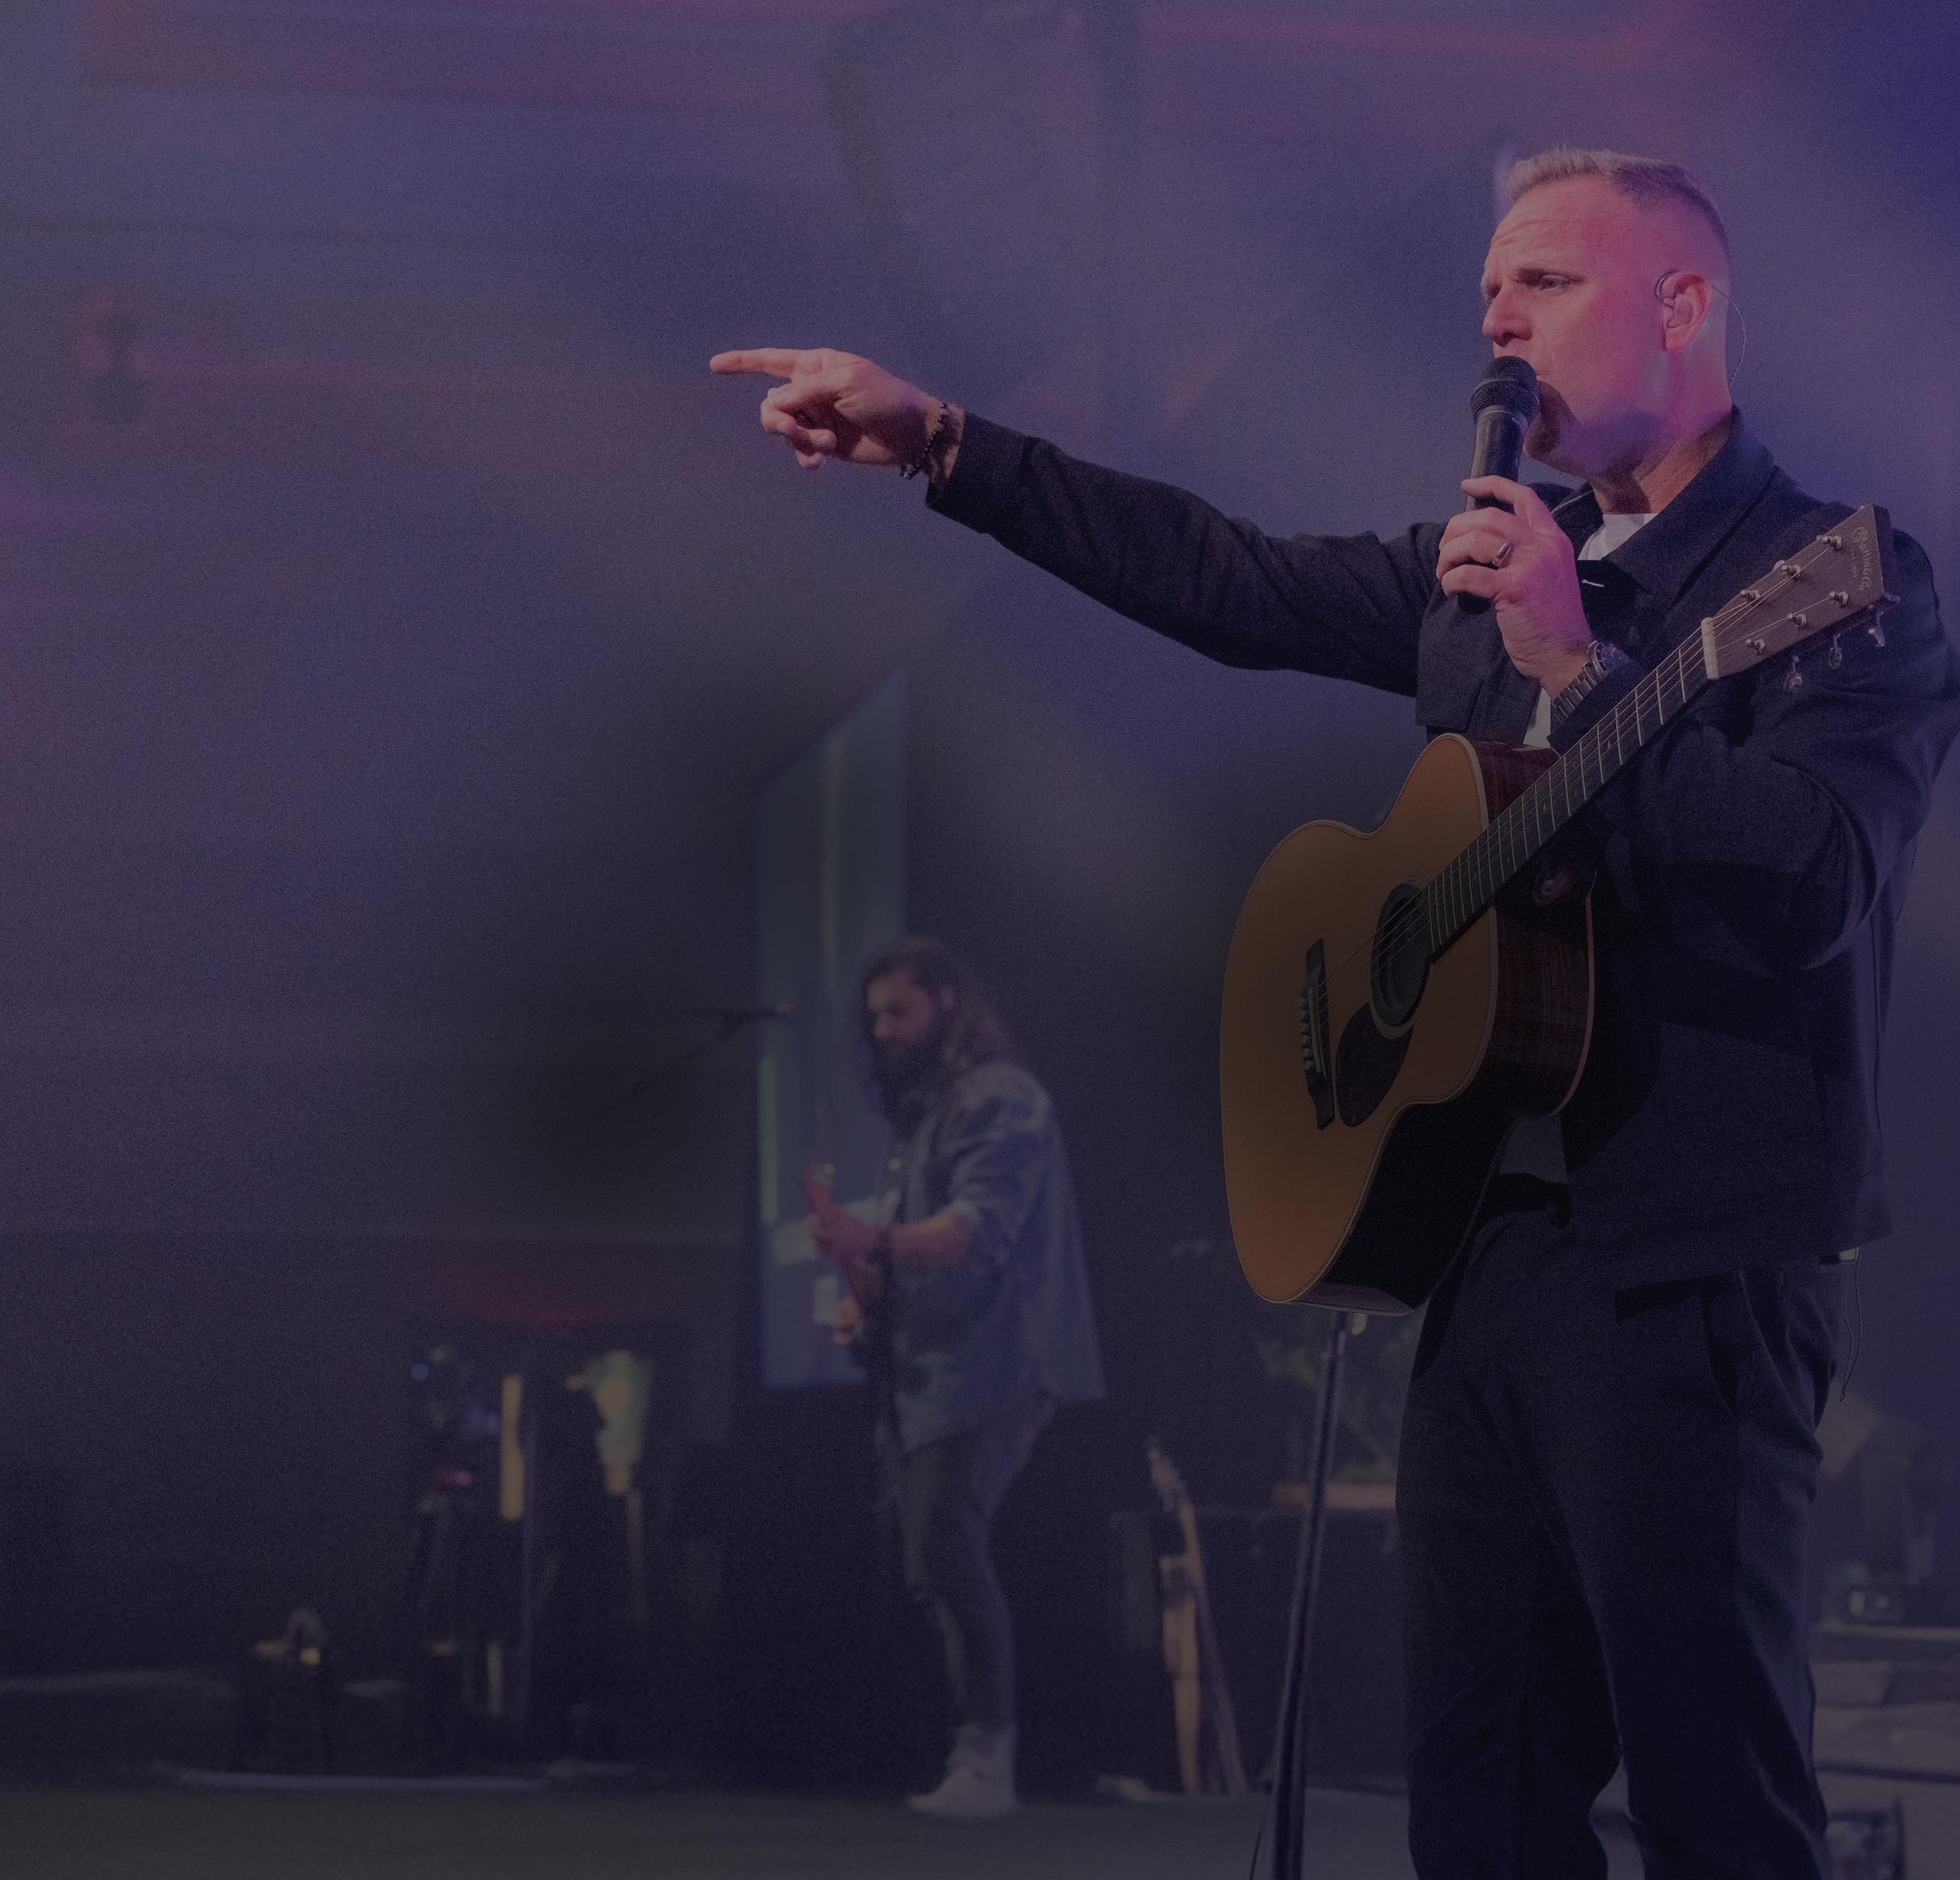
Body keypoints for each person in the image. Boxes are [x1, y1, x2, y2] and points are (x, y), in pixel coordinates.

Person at [718, 148, 1960, 1877]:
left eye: (1546, 282)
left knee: (1714, 1798)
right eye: (1487, 291)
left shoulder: (1833, 574)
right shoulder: (1483, 572)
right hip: (1480, 1255)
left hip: (1689, 1267)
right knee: (1477, 1802)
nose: (1498, 320)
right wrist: (944, 443)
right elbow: (1218, 573)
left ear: (1684, 304)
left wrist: (1581, 670)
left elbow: (1819, 876)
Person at [809, 936, 1105, 1821]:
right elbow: (909, 1255)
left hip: (994, 1362)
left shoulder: (999, 1099)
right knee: (931, 1563)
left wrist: (871, 1242)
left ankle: (989, 1759)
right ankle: (975, 1752)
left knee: (943, 1549)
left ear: (946, 1002)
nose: (883, 1031)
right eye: (874, 1017)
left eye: (897, 1011)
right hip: (927, 1375)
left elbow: (977, 1232)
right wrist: (864, 1295)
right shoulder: (920, 1122)